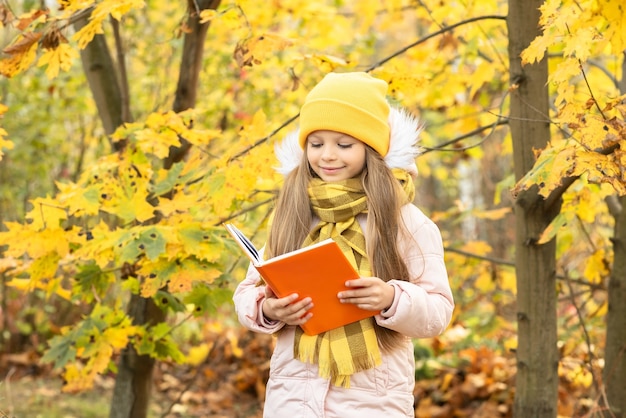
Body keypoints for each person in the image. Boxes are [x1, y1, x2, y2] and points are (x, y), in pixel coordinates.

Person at [233, 72, 454, 418]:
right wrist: (268, 309)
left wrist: (391, 299)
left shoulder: (405, 220)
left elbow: (439, 311)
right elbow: (248, 291)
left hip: (373, 403)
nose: (328, 156)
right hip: (293, 401)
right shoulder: (294, 212)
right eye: (317, 144)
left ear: (371, 148)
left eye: (344, 144)